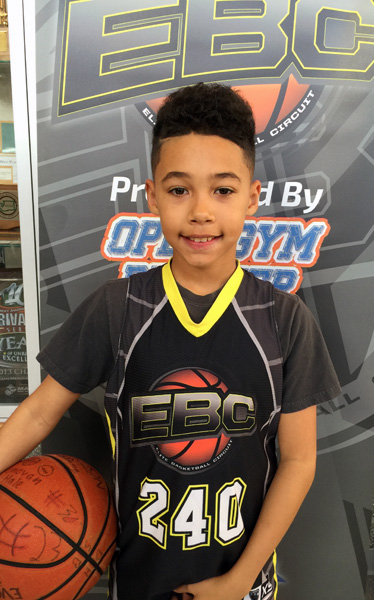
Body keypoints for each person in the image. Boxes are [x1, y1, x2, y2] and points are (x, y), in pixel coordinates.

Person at [0, 82, 340, 600]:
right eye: (180, 190)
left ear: (252, 197)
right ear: (153, 195)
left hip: (242, 583)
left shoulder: (285, 320)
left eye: (222, 190)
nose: (200, 211)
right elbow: (38, 414)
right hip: (140, 580)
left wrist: (239, 580)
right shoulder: (117, 308)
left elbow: (298, 461)